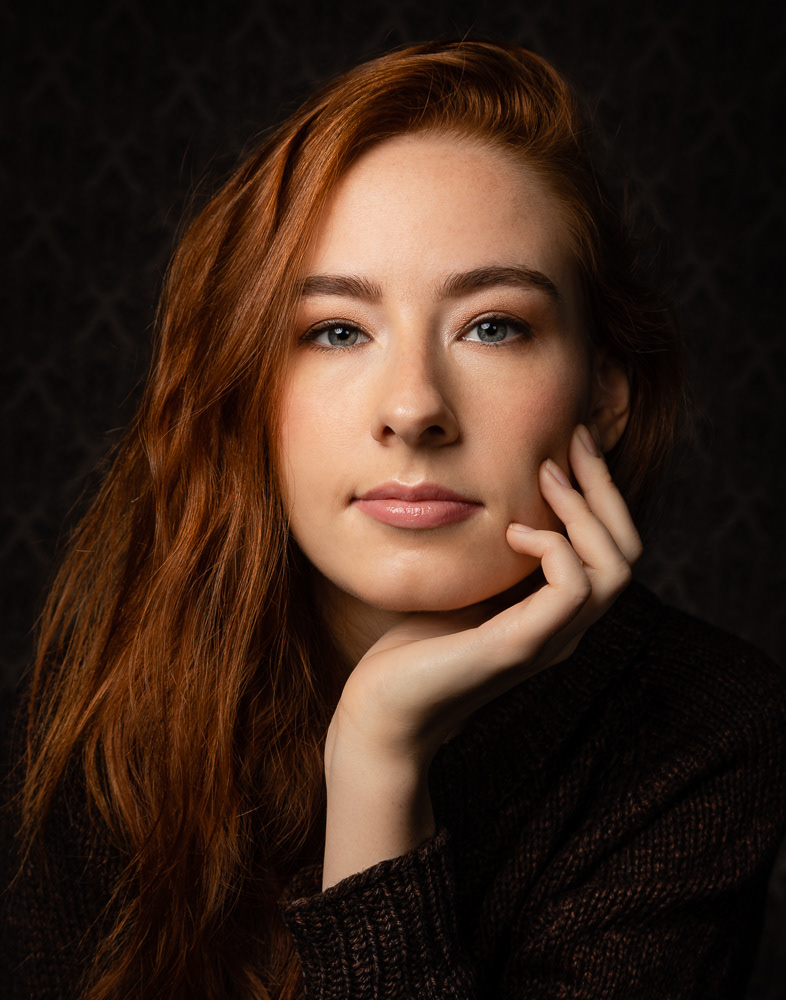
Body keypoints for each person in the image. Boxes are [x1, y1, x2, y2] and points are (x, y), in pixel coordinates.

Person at [2, 39, 785, 1000]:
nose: (413, 409)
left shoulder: (705, 731)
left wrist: (377, 758)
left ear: (603, 397)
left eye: (493, 326)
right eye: (337, 331)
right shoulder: (104, 712)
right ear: (249, 390)